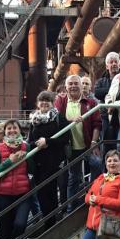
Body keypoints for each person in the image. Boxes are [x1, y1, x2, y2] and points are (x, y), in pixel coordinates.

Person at [54, 75, 101, 213]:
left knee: (97, 164)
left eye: (76, 83)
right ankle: (70, 207)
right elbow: (57, 120)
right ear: (66, 86)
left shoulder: (90, 102)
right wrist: (72, 120)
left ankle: (92, 195)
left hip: (87, 144)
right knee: (73, 177)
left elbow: (97, 124)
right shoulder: (61, 101)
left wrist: (94, 142)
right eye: (71, 84)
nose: (73, 86)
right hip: (70, 147)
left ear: (82, 86)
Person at [0, 119, 36, 239]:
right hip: (3, 195)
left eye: (14, 128)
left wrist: (28, 158)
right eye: (9, 128)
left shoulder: (26, 146)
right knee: (4, 229)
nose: (12, 131)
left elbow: (33, 169)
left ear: (19, 130)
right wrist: (10, 161)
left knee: (20, 224)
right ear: (5, 131)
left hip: (23, 193)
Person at [28, 91, 71, 231]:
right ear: (37, 103)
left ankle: (51, 223)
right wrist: (37, 144)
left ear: (52, 103)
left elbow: (65, 138)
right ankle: (47, 221)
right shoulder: (34, 119)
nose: (44, 103)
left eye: (47, 100)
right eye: (41, 100)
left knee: (51, 191)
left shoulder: (58, 117)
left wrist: (48, 141)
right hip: (39, 162)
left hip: (53, 161)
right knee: (41, 193)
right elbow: (30, 141)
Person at [94, 51, 120, 148]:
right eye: (111, 62)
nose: (114, 64)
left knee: (119, 143)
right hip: (105, 116)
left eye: (116, 62)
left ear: (119, 64)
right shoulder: (102, 80)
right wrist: (114, 90)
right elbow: (97, 93)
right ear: (107, 66)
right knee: (106, 144)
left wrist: (107, 93)